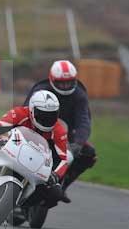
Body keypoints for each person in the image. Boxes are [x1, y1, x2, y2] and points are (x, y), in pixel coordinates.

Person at [24, 60, 97, 195]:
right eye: (61, 83)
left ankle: (63, 184)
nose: (65, 86)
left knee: (88, 153)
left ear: (74, 80)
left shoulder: (80, 95)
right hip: (38, 130)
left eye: (69, 82)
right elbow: (26, 111)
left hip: (66, 135)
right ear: (52, 79)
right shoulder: (41, 90)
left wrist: (78, 143)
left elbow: (84, 121)